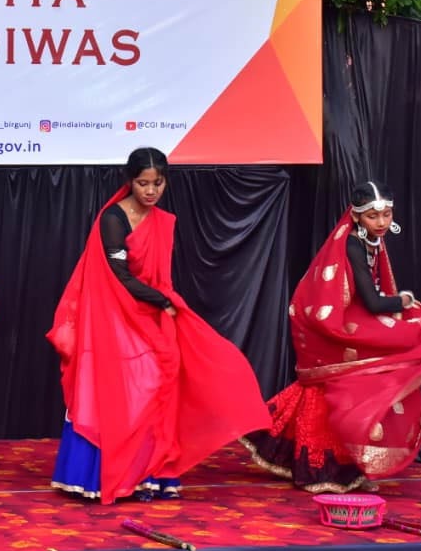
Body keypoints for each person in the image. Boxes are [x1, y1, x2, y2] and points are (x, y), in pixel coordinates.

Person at [47, 147, 271, 504]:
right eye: (143, 183)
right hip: (113, 316)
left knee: (156, 389)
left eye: (158, 183)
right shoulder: (113, 219)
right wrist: (162, 300)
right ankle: (101, 476)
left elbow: (157, 276)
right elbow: (117, 277)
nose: (150, 191)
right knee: (117, 391)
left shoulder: (163, 222)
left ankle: (150, 476)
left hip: (150, 316)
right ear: (129, 181)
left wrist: (162, 303)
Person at [243, 181, 421, 492]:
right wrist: (403, 301)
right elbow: (374, 302)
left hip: (349, 317)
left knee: (361, 381)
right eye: (372, 216)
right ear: (356, 216)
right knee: (409, 338)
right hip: (330, 325)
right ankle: (324, 468)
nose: (381, 222)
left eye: (386, 214)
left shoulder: (371, 241)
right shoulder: (353, 245)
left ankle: (343, 466)